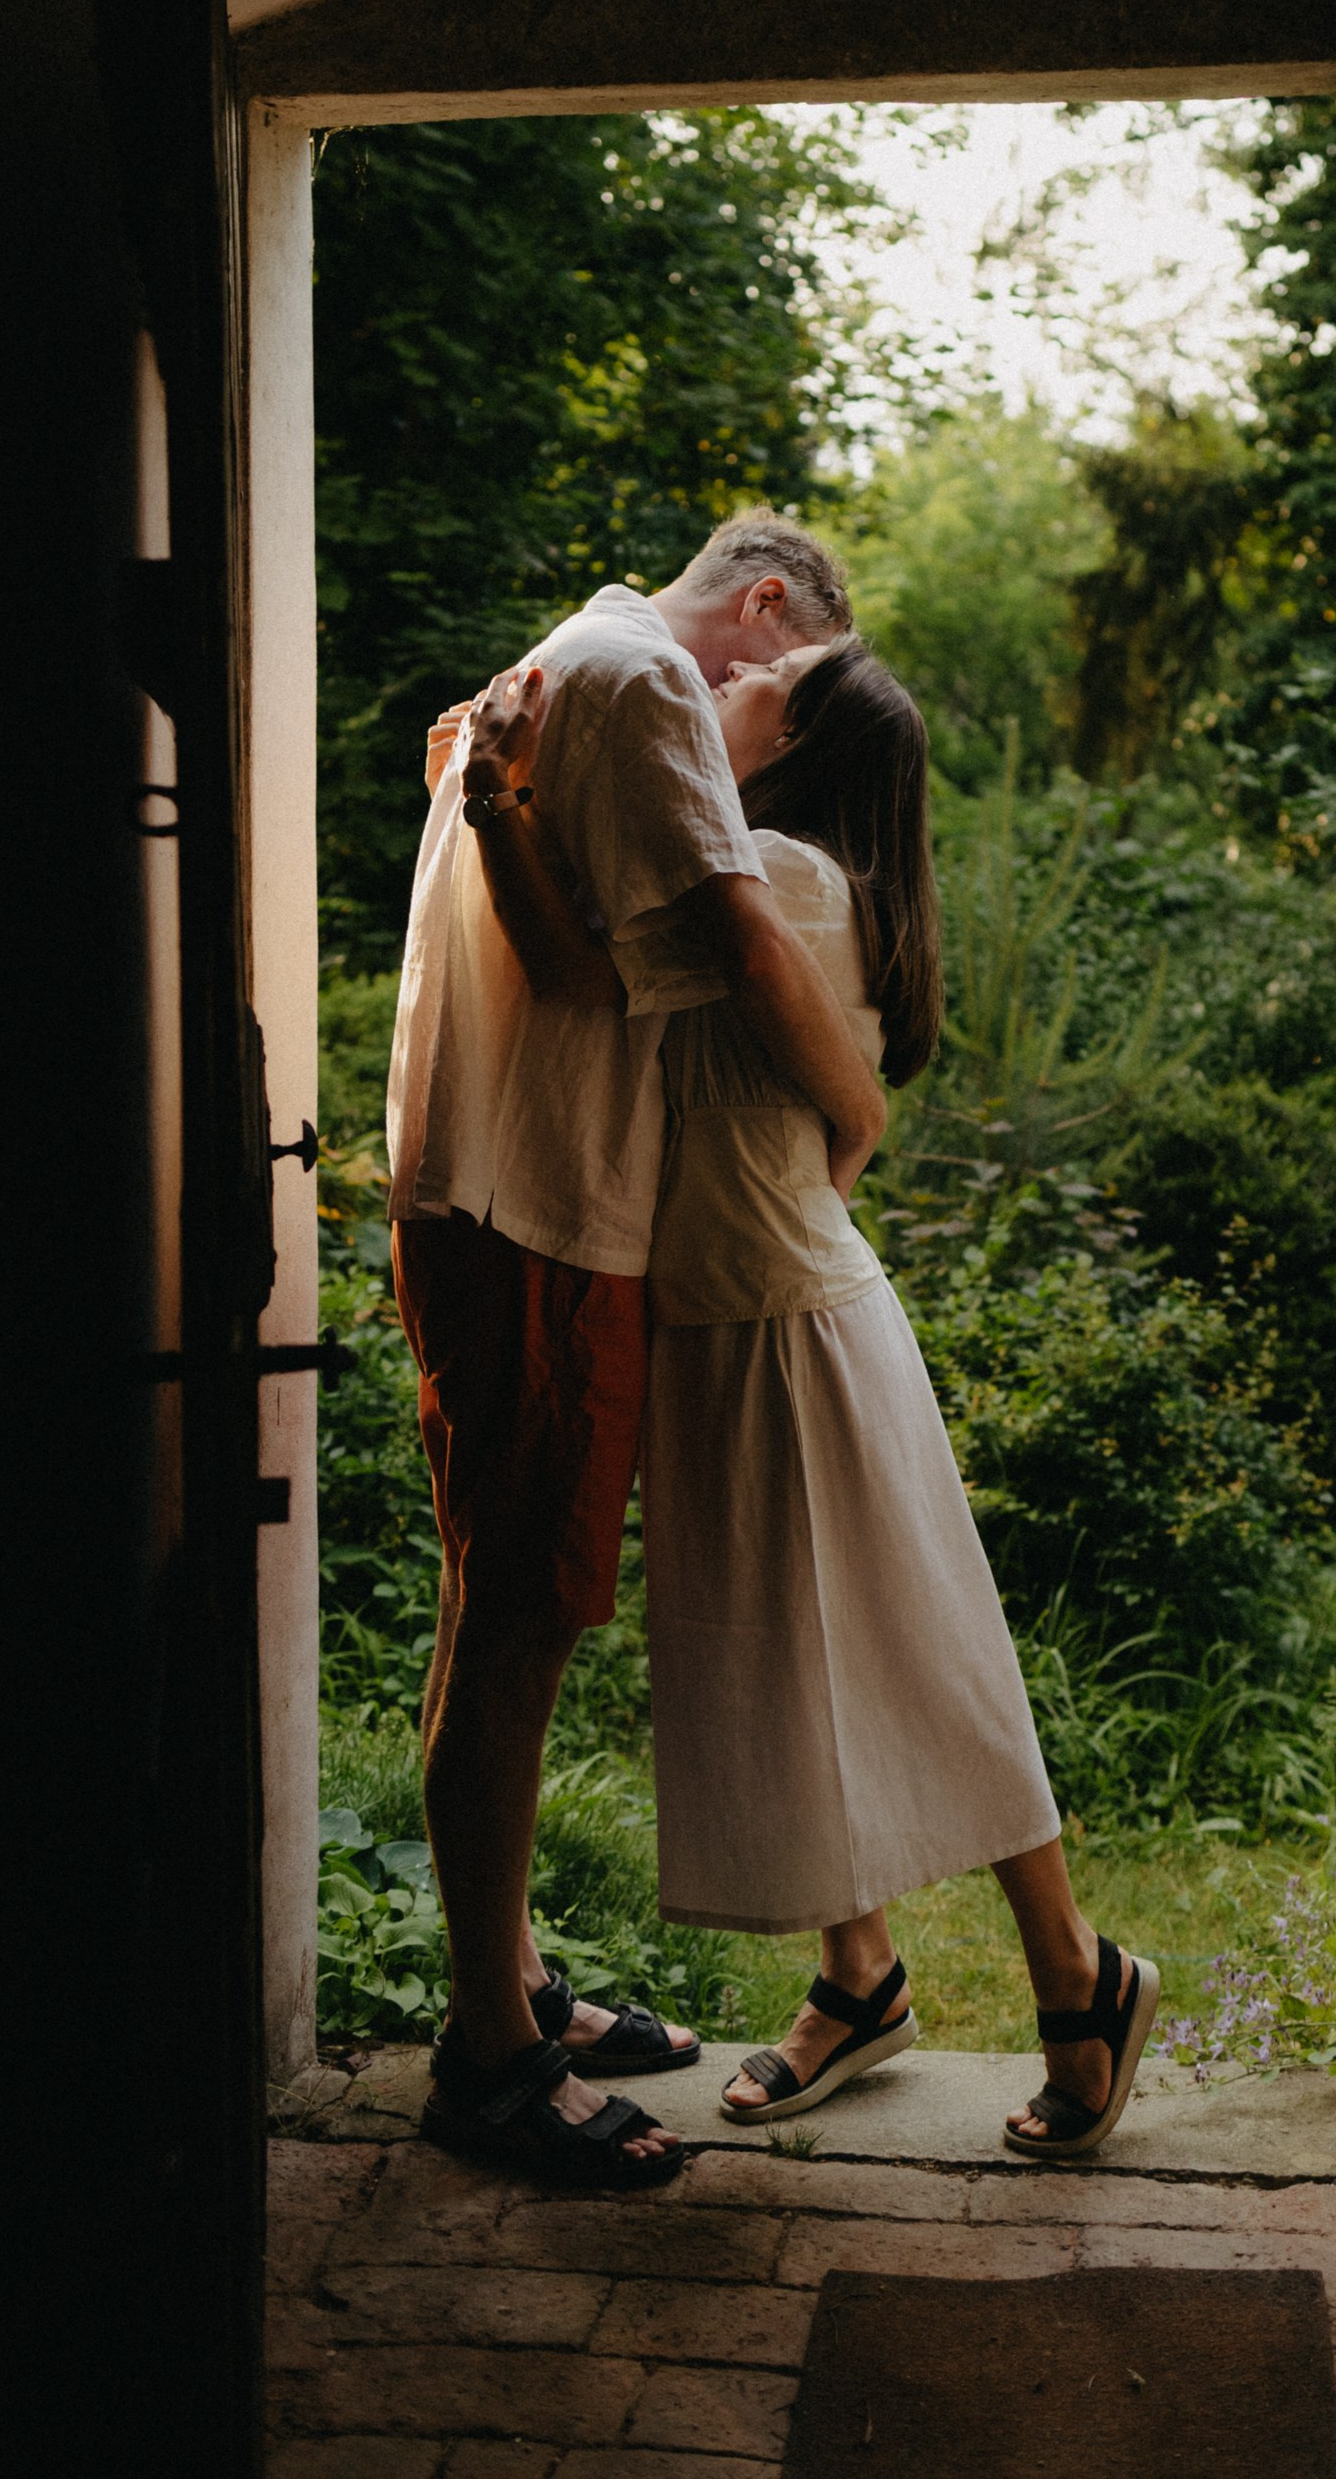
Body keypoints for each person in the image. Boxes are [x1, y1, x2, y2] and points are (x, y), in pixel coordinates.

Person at [457, 633, 1159, 2158]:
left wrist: (496, 797)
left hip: (792, 1326)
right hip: (734, 1320)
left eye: (771, 679)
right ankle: (858, 1978)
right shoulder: (792, 872)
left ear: (805, 743)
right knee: (787, 1660)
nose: (731, 678)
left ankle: (1079, 1973)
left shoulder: (779, 876)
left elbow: (577, 972)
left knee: (924, 1656)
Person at [390, 513, 887, 2189]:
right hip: (536, 1211)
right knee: (519, 1621)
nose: (777, 735)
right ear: (766, 611)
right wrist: (862, 1104)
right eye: (797, 688)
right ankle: (492, 2056)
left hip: (487, 1197)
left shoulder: (547, 668)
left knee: (495, 1598)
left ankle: (509, 1978)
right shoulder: (652, 684)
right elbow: (720, 949)